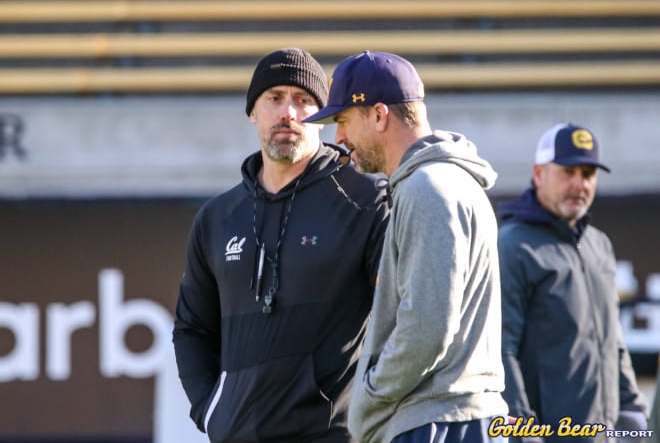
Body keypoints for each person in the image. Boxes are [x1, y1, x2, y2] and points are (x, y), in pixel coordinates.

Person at [172, 48, 389, 442]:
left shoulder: (367, 200)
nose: (288, 112)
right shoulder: (218, 217)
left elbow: (401, 318)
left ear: (323, 118)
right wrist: (212, 412)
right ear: (253, 112)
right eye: (274, 99)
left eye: (303, 100)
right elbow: (192, 329)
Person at [305, 50, 508, 443]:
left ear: (379, 115)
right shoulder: (442, 181)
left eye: (343, 121)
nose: (339, 139)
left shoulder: (427, 188)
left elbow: (427, 328)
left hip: (437, 423)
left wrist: (370, 396)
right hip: (456, 419)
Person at [497, 123, 648, 442]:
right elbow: (501, 350)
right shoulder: (512, 246)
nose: (580, 184)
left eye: (589, 174)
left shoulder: (599, 244)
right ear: (539, 174)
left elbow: (613, 341)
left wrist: (634, 417)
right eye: (568, 172)